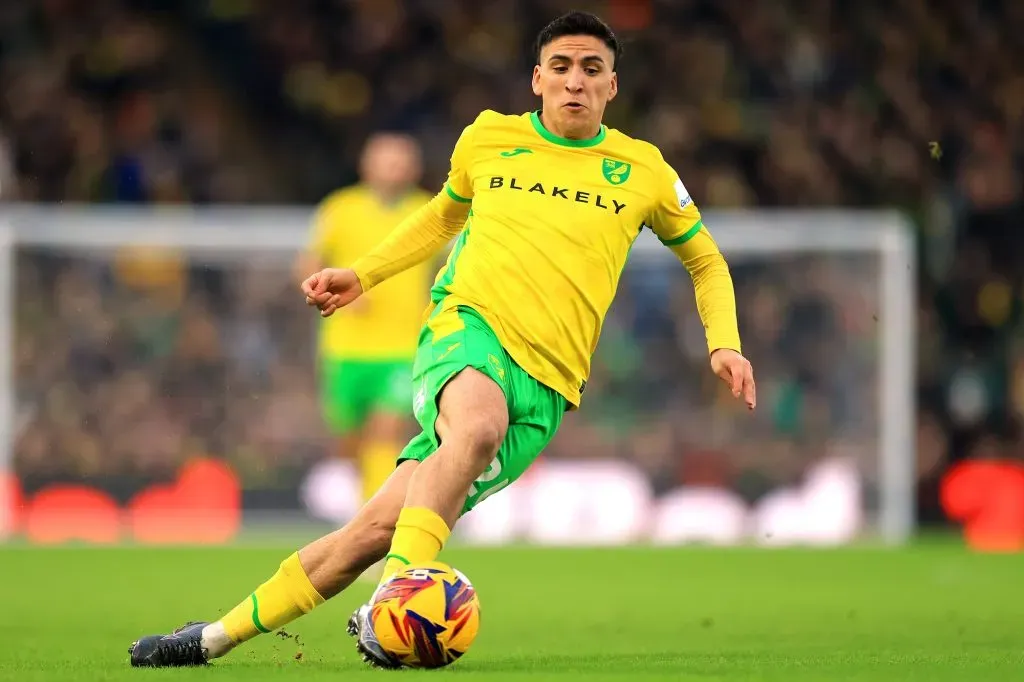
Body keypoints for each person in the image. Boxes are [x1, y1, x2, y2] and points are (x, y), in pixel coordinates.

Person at [127, 10, 756, 669]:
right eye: (563, 68)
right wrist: (363, 274)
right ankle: (395, 596)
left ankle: (209, 638)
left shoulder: (643, 170)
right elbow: (440, 219)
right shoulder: (490, 138)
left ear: (613, 86)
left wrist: (725, 342)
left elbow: (706, 260)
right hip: (467, 328)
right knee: (477, 427)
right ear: (538, 79)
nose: (576, 81)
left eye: (592, 70)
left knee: (366, 535)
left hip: (548, 386)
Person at [296, 133, 432, 516]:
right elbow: (308, 262)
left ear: (414, 168)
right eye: (387, 161)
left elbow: (456, 258)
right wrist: (329, 293)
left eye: (402, 161)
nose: (395, 169)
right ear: (366, 166)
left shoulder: (428, 210)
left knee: (386, 428)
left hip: (403, 346)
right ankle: (365, 508)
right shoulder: (341, 208)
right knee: (351, 441)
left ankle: (376, 522)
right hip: (345, 347)